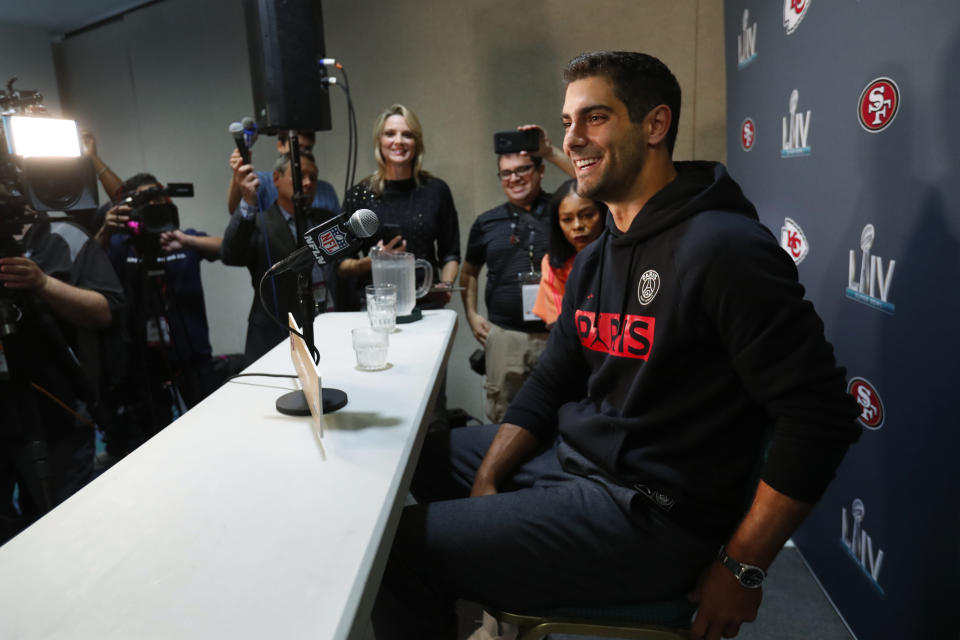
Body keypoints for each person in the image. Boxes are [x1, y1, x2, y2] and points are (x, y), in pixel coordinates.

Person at [371, 51, 861, 640]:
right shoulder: (600, 253)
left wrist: (743, 567)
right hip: (580, 464)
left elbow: (820, 415)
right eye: (568, 121)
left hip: (651, 513)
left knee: (395, 553)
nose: (571, 139)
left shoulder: (723, 248)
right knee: (410, 465)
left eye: (594, 118)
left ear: (654, 126)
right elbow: (553, 377)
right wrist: (489, 476)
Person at [0, 214, 124, 544]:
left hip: (59, 415)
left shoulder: (63, 236)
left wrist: (41, 284)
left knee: (70, 531)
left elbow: (106, 310)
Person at [93, 173, 224, 453]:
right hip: (143, 362)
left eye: (159, 195)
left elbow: (228, 249)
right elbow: (89, 265)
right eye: (146, 198)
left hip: (193, 355)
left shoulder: (184, 239)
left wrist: (187, 242)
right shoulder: (121, 245)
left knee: (214, 431)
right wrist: (106, 230)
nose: (155, 202)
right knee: (156, 444)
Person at [460, 136, 574, 423]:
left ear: (540, 171)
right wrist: (471, 315)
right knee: (503, 416)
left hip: (558, 334)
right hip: (505, 336)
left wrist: (550, 152)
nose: (515, 178)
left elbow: (597, 185)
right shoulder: (487, 222)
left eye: (523, 169)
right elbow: (469, 271)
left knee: (563, 413)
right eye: (506, 173)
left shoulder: (565, 211)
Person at [334, 104, 460, 312]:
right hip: (376, 307)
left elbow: (450, 254)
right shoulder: (360, 195)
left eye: (407, 135)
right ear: (379, 142)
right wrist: (373, 260)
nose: (398, 141)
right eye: (390, 134)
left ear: (417, 142)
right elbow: (341, 265)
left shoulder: (436, 191)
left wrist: (446, 284)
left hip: (427, 306)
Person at [222, 150, 335, 365]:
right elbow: (230, 254)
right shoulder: (259, 222)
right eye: (300, 176)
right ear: (276, 179)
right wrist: (248, 203)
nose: (308, 183)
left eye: (313, 177)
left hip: (326, 327)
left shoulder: (325, 220)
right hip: (275, 333)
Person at [531, 178, 604, 327]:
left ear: (603, 213)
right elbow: (559, 325)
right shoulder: (554, 263)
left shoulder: (622, 254)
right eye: (567, 219)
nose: (577, 226)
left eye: (588, 215)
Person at [226, 129, 339, 216]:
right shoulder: (260, 182)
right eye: (297, 147)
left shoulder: (326, 190)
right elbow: (236, 211)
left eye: (308, 148)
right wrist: (238, 172)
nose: (302, 153)